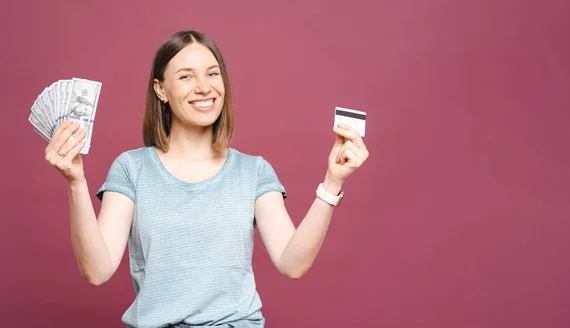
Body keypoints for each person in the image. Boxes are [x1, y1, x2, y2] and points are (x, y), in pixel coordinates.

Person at [44, 30, 369, 328]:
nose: (204, 87)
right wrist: (76, 183)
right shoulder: (132, 168)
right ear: (161, 90)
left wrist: (332, 182)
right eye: (186, 76)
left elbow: (292, 263)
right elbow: (97, 271)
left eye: (212, 73)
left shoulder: (253, 171)